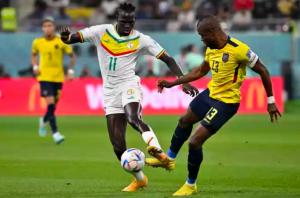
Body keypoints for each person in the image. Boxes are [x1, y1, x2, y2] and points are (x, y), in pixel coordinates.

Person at [59, 2, 198, 192]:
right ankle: (140, 179)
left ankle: (158, 151)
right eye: (124, 21)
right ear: (117, 19)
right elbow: (71, 39)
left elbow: (168, 59)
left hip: (129, 85)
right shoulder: (101, 32)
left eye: (130, 22)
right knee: (118, 147)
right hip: (109, 92)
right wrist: (66, 37)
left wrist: (184, 81)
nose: (127, 25)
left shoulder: (142, 40)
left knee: (133, 118)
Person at [146, 15, 281, 196]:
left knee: (195, 142)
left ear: (212, 32)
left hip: (226, 102)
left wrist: (271, 101)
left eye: (202, 35)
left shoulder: (239, 49)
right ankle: (168, 159)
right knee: (184, 120)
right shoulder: (211, 49)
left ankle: (191, 185)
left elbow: (262, 70)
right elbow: (200, 71)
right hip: (210, 95)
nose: (201, 39)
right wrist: (174, 83)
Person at [31, 17, 76, 144]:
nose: (47, 28)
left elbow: (72, 56)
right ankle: (56, 133)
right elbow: (33, 54)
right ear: (42, 28)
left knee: (53, 107)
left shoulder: (61, 41)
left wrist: (71, 71)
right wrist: (35, 67)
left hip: (58, 77)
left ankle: (43, 120)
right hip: (44, 77)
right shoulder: (37, 42)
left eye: (50, 25)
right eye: (45, 26)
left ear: (54, 27)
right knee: (50, 104)